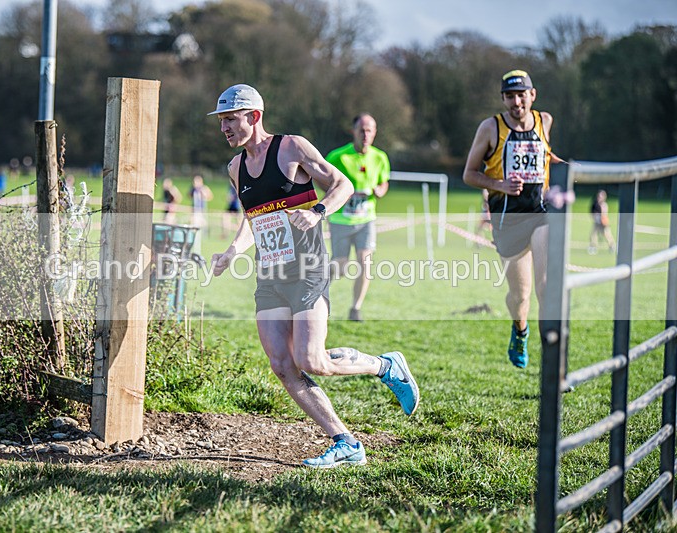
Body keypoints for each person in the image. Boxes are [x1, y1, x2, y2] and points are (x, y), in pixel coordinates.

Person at [209, 83, 419, 468]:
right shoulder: (236, 168)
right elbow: (252, 219)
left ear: (254, 116)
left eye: (230, 119)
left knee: (312, 360)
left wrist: (318, 210)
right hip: (270, 276)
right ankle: (345, 442)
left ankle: (385, 366)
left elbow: (343, 184)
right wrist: (232, 251)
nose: (224, 128)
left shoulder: (291, 148)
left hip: (307, 270)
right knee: (281, 364)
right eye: (221, 121)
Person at [463, 70, 565, 369]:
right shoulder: (490, 128)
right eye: (510, 95)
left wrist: (569, 167)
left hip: (541, 214)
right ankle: (520, 330)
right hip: (508, 219)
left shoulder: (544, 120)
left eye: (522, 94)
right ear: (503, 99)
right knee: (520, 296)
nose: (517, 101)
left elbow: (545, 154)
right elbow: (469, 174)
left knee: (546, 286)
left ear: (533, 95)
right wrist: (499, 185)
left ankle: (552, 363)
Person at [325, 114, 391, 322]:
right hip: (341, 220)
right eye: (361, 130)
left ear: (375, 133)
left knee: (366, 263)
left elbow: (384, 182)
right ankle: (315, 291)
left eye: (369, 130)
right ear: (353, 131)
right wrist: (336, 195)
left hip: (366, 219)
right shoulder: (338, 156)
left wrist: (380, 190)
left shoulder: (380, 157)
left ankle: (355, 309)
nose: (365, 134)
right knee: (341, 266)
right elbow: (320, 177)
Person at [588, 189, 616, 254]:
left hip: (603, 223)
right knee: (593, 235)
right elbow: (592, 212)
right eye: (599, 196)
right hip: (597, 222)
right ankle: (593, 247)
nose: (599, 198)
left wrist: (602, 222)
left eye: (601, 197)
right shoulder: (595, 204)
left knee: (607, 235)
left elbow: (604, 215)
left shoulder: (604, 205)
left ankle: (612, 246)